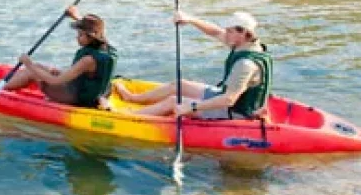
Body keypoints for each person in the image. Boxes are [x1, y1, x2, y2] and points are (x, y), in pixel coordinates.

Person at [113, 11, 272, 119]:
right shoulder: (245, 44)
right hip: (226, 97)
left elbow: (229, 100)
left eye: (230, 31)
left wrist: (192, 107)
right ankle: (133, 98)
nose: (226, 34)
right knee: (179, 85)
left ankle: (130, 117)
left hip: (234, 111)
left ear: (244, 33)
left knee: (174, 101)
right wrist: (190, 19)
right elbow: (215, 32)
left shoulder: (246, 63)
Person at [5, 6, 118, 108]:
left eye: (80, 35)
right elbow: (92, 29)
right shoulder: (105, 46)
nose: (77, 38)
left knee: (32, 71)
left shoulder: (87, 61)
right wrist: (76, 16)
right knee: (40, 66)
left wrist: (28, 63)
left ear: (91, 37)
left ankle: (0, 88)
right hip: (96, 93)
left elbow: (55, 81)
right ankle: (3, 83)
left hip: (78, 99)